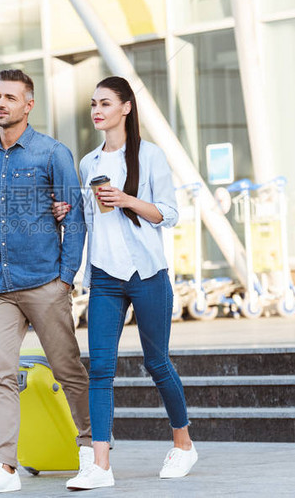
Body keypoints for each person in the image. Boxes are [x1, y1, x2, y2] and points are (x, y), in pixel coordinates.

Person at [54, 76, 197, 490]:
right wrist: (65, 211)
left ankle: (184, 445)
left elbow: (170, 213)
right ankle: (100, 464)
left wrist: (128, 200)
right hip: (104, 277)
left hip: (148, 273)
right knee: (99, 368)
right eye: (92, 103)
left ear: (126, 108)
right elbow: (85, 218)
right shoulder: (88, 163)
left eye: (105, 103)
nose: (96, 110)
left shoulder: (150, 156)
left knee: (158, 363)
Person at [0, 69, 92, 496]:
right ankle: (4, 467)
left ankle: (91, 450)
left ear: (28, 104)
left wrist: (65, 280)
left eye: (10, 98)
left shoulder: (52, 153)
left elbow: (74, 218)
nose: (0, 104)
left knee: (68, 369)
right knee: (0, 375)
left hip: (44, 282)